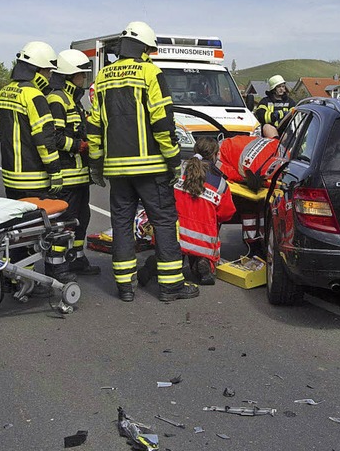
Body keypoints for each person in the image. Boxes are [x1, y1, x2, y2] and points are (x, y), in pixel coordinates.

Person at [86, 20, 199, 302]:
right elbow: (162, 121)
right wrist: (174, 161)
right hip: (151, 168)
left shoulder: (103, 77)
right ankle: (171, 286)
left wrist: (96, 164)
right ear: (145, 48)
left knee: (122, 224)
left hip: (118, 170)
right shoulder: (150, 72)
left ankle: (125, 286)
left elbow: (95, 125)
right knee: (164, 223)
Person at [0, 41, 74, 283]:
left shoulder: (4, 92)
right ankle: (32, 281)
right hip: (33, 177)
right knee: (35, 233)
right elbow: (45, 140)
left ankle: (13, 279)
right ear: (38, 70)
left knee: (15, 230)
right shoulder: (34, 96)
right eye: (48, 71)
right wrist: (56, 172)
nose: (50, 76)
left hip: (11, 176)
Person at [47, 49, 100, 276]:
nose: (83, 80)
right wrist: (81, 146)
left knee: (82, 218)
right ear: (70, 76)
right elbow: (55, 138)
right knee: (65, 222)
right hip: (66, 174)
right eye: (81, 76)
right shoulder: (57, 99)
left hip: (79, 175)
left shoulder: (73, 100)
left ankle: (77, 259)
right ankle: (56, 266)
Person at [173, 138, 237, 285]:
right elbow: (227, 213)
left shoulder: (180, 169)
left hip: (175, 235)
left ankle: (172, 261)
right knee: (210, 234)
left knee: (172, 254)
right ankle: (204, 264)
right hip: (203, 243)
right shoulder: (220, 183)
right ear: (215, 155)